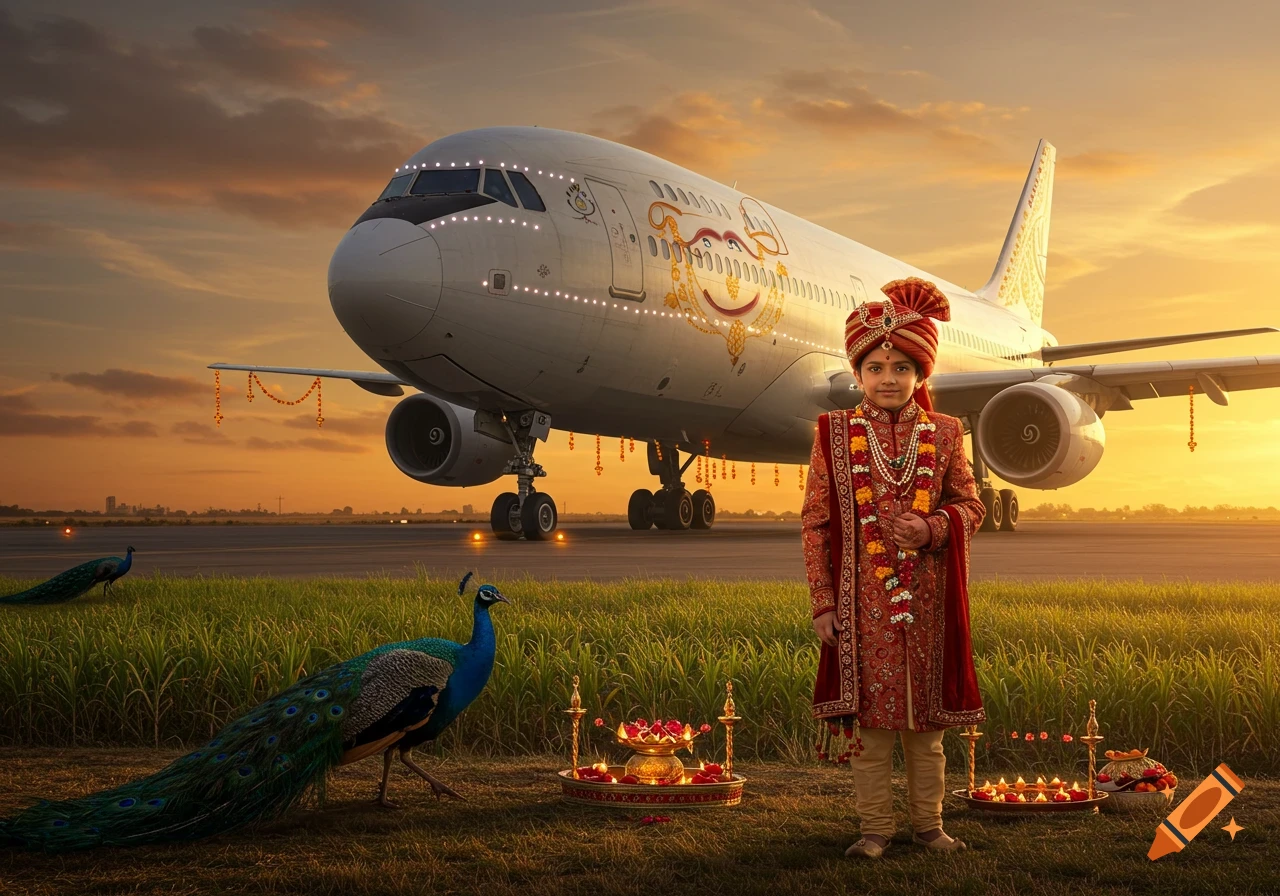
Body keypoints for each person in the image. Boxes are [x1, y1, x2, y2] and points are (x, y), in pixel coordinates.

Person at [801, 277, 986, 859]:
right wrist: (824, 604)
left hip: (929, 602)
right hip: (862, 606)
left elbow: (971, 505)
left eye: (901, 367)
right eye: (876, 366)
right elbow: (816, 524)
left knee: (926, 735)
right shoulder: (832, 434)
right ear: (857, 374)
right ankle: (875, 829)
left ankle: (929, 827)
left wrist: (933, 528)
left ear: (921, 375)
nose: (888, 378)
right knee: (873, 734)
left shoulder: (947, 433)